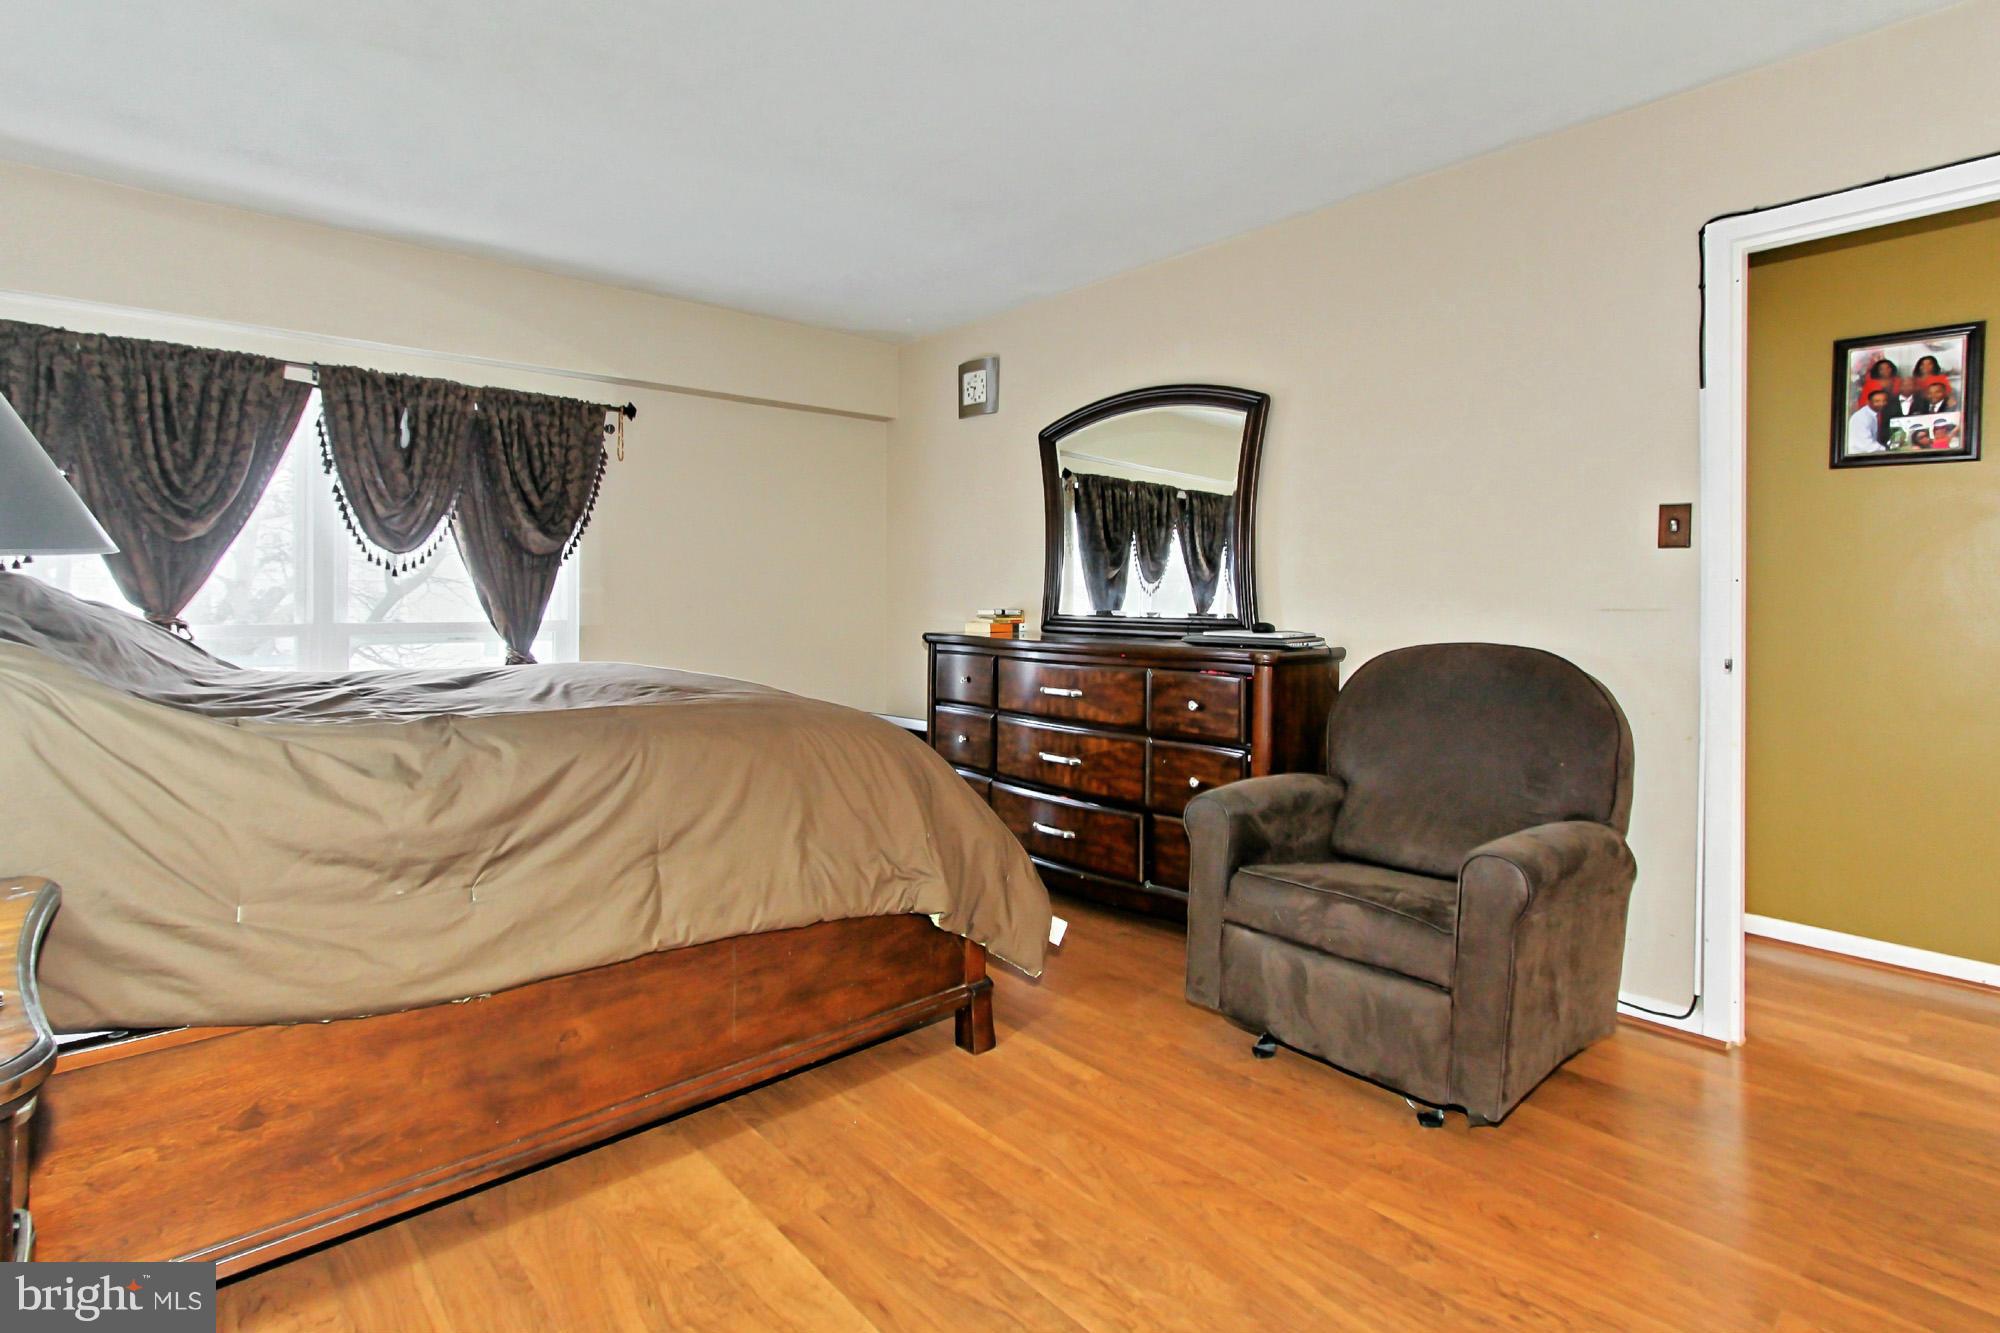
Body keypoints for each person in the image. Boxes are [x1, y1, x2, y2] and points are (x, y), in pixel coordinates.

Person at [1847, 388, 1891, 453]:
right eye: (1877, 401)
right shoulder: (1861, 417)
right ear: (1868, 402)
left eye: (1884, 401)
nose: (1881, 404)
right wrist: (1888, 450)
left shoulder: (1872, 414)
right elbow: (1866, 445)